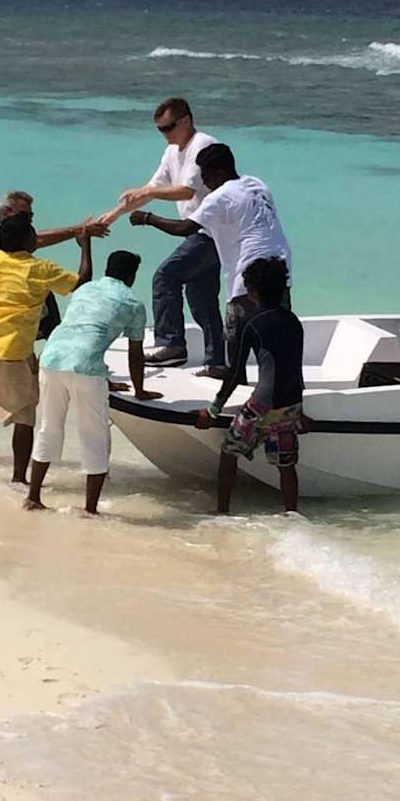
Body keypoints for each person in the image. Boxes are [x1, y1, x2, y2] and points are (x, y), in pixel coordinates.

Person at [129, 141, 289, 370]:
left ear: (220, 172)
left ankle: (175, 347)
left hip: (249, 269)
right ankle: (217, 364)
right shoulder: (257, 184)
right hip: (280, 264)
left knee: (237, 332)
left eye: (206, 176)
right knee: (279, 330)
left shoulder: (220, 196)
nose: (203, 183)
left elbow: (185, 228)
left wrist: (148, 218)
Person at [25, 249, 157, 515]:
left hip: (51, 358)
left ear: (108, 269)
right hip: (87, 367)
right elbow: (135, 354)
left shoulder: (84, 289)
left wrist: (84, 244)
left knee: (49, 428)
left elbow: (84, 330)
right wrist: (140, 390)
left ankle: (33, 498)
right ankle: (90, 510)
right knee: (93, 436)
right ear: (132, 276)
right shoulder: (133, 304)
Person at [100, 98, 224, 374]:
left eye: (169, 127)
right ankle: (217, 362)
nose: (165, 134)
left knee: (165, 276)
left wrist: (148, 192)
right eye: (160, 129)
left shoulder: (203, 145)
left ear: (186, 121)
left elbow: (186, 191)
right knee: (202, 299)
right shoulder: (171, 152)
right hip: (198, 233)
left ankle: (172, 345)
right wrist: (114, 214)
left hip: (210, 232)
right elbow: (153, 188)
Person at [0, 192, 99, 408]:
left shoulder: (14, 261)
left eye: (30, 217)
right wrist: (80, 232)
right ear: (5, 213)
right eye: (24, 216)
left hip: (0, 330)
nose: (28, 222)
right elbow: (38, 241)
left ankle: (56, 353)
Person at [0, 214, 91, 481]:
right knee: (24, 416)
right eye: (33, 235)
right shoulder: (39, 269)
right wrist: (85, 245)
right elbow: (81, 282)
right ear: (26, 241)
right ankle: (18, 478)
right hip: (13, 349)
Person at [194, 256, 304, 515]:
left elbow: (235, 373)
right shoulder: (293, 321)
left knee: (229, 451)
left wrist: (213, 410)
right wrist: (301, 411)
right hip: (290, 404)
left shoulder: (253, 323)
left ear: (252, 291)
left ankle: (222, 511)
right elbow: (293, 369)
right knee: (286, 465)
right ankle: (292, 515)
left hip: (261, 405)